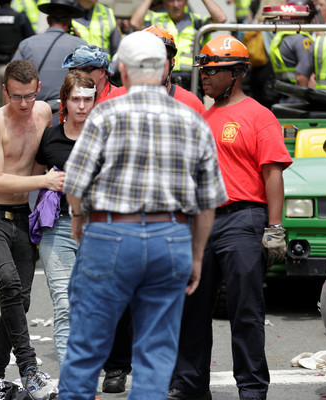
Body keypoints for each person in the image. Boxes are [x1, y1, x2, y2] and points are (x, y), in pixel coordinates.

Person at [57, 30, 228, 400]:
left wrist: (78, 219)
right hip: (171, 238)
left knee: (86, 348)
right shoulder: (192, 119)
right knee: (155, 355)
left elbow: (75, 184)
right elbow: (208, 201)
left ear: (121, 69)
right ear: (166, 67)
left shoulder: (105, 114)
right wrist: (196, 256)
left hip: (110, 234)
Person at [169, 35, 292, 400]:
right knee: (192, 307)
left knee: (245, 310)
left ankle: (252, 389)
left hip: (244, 219)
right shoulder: (202, 118)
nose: (204, 76)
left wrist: (274, 228)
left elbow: (273, 175)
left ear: (236, 73)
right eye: (203, 70)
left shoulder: (259, 116)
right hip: (202, 222)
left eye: (213, 70)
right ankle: (190, 386)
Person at [95, 24, 207, 396]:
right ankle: (116, 366)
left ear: (171, 62)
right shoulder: (116, 102)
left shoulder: (190, 103)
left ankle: (175, 378)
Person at [0, 59, 65, 400]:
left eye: (29, 96)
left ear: (38, 90)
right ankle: (29, 368)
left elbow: (41, 158)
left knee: (19, 300)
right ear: (4, 91)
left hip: (21, 214)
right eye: (16, 97)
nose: (23, 104)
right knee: (9, 282)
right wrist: (45, 180)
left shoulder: (43, 114)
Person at [30, 69, 97, 366]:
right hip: (57, 229)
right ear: (65, 102)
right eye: (76, 99)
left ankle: (95, 363)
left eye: (87, 99)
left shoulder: (103, 137)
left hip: (98, 230)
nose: (82, 105)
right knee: (65, 304)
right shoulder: (49, 138)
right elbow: (29, 175)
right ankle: (73, 375)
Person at [12, 0, 86, 125]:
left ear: (48, 20)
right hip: (66, 116)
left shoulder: (27, 44)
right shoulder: (80, 45)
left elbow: (12, 77)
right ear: (69, 22)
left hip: (34, 114)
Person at [129, 0, 227, 90]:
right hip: (163, 77)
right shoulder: (155, 20)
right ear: (164, 3)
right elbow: (135, 23)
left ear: (186, 2)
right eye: (171, 1)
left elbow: (221, 18)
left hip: (193, 80)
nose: (176, 5)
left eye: (179, 0)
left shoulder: (196, 20)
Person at [269, 0, 316, 87]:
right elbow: (304, 77)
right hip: (297, 92)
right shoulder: (301, 39)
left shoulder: (282, 36)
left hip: (283, 90)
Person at [61, 44, 127, 104]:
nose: (79, 75)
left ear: (102, 72)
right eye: (74, 70)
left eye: (85, 71)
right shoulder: (69, 99)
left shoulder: (119, 98)